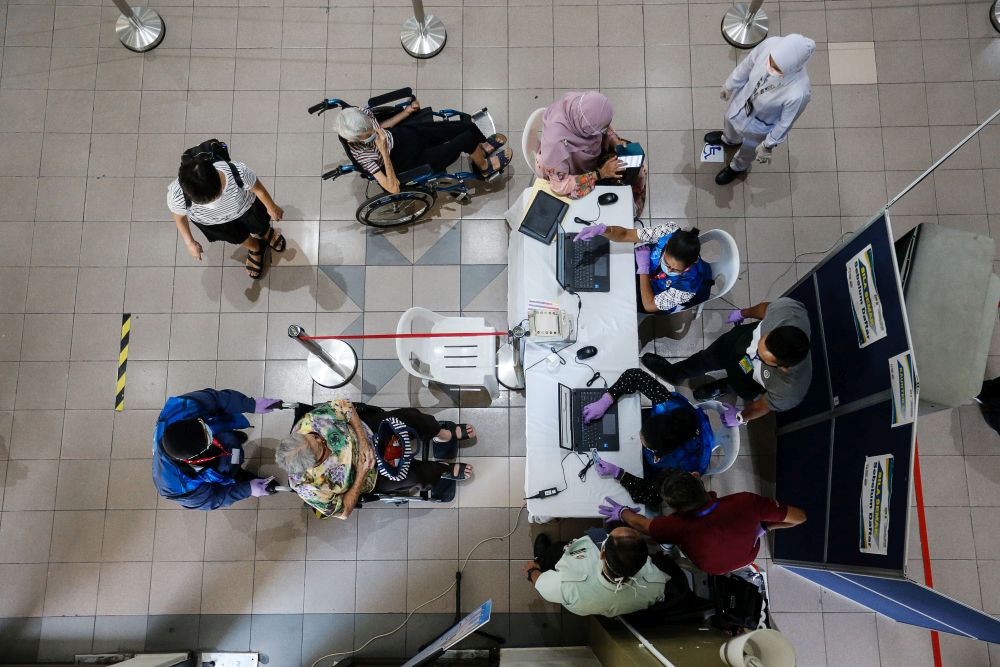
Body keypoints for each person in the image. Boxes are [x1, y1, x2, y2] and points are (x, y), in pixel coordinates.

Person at [275, 400, 475, 519]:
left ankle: (442, 434)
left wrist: (362, 440)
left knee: (412, 417)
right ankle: (441, 469)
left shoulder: (309, 422)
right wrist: (361, 473)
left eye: (315, 436)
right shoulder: (308, 487)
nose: (321, 438)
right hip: (371, 474)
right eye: (321, 447)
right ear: (312, 464)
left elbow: (345, 406)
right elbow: (343, 512)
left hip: (364, 430)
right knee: (416, 476)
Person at [599, 469, 806, 575]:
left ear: (673, 508)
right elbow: (799, 518)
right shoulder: (744, 502)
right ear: (697, 478)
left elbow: (642, 525)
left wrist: (622, 511)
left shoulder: (676, 526)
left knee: (667, 540)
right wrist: (765, 527)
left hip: (713, 567)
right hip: (747, 553)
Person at [641, 298, 812, 426]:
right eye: (762, 341)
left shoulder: (789, 390)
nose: (752, 353)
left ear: (784, 368)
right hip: (734, 344)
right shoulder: (788, 312)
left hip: (750, 379)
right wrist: (743, 312)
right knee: (705, 358)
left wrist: (742, 417)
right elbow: (766, 309)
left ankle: (723, 387)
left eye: (762, 357)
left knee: (737, 384)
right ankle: (675, 374)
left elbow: (763, 405)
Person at [706, 33, 815, 185]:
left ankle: (737, 167)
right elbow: (748, 64)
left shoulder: (799, 92)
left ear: (792, 68)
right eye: (771, 61)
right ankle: (728, 140)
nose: (770, 67)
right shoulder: (771, 44)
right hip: (743, 102)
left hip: (759, 126)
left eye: (777, 68)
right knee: (729, 122)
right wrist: (730, 85)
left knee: (748, 150)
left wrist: (768, 145)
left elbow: (785, 123)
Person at [334, 101, 512, 194]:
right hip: (407, 160)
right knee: (464, 140)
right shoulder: (363, 156)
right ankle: (483, 167)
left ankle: (479, 147)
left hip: (406, 135)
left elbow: (382, 128)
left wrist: (406, 112)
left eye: (372, 131)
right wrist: (382, 151)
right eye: (368, 138)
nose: (374, 135)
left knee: (465, 127)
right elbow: (393, 188)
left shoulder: (362, 115)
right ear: (353, 141)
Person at [153, 389, 281, 510]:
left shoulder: (178, 410)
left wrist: (250, 404)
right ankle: (241, 477)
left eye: (204, 427)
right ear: (195, 456)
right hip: (213, 468)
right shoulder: (175, 486)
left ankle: (233, 441)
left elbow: (215, 399)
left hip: (215, 445)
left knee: (228, 439)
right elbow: (213, 499)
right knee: (228, 469)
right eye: (208, 437)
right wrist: (247, 490)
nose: (210, 431)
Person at [581, 368, 714, 477]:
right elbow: (635, 375)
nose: (639, 438)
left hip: (655, 470)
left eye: (645, 444)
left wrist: (620, 474)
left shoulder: (688, 466)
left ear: (660, 450)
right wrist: (607, 399)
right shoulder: (667, 405)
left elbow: (657, 493)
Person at [167, 157, 285, 280]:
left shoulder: (238, 172)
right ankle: (255, 247)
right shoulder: (176, 196)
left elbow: (258, 189)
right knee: (238, 238)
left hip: (246, 208)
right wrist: (189, 242)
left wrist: (271, 207)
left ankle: (266, 233)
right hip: (215, 224)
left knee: (260, 223)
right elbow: (179, 218)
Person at [535, 91, 648, 218]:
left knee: (637, 164)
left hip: (590, 154)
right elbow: (560, 186)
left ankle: (634, 201)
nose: (606, 129)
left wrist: (613, 140)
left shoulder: (579, 105)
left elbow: (601, 123)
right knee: (617, 189)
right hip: (569, 172)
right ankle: (629, 209)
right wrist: (600, 174)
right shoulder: (555, 146)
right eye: (603, 128)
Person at [522, 527, 672, 617]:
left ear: (602, 553)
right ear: (645, 560)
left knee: (555, 553)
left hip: (579, 587)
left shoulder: (566, 585)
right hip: (607, 604)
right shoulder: (657, 583)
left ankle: (541, 558)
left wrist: (533, 570)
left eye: (607, 539)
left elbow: (540, 582)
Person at [575, 222, 709, 314]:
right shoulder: (669, 231)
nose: (669, 270)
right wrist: (605, 230)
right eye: (667, 263)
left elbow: (649, 305)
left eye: (676, 270)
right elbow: (626, 234)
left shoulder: (687, 287)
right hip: (645, 268)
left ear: (690, 265)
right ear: (667, 243)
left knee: (616, 304)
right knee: (609, 271)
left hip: (653, 296)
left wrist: (643, 269)